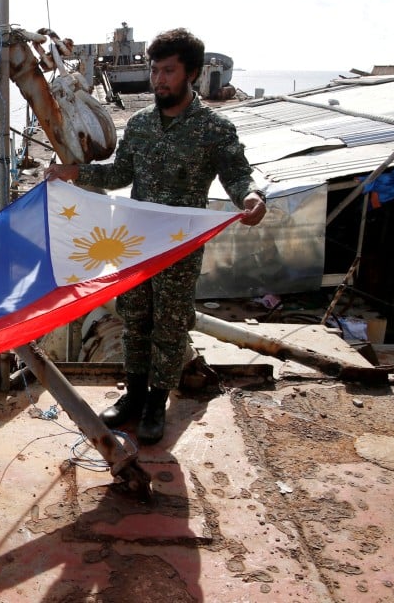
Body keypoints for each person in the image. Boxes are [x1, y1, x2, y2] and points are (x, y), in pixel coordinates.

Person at [44, 27, 266, 445]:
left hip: (179, 249)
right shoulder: (142, 126)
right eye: (155, 70)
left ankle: (155, 404)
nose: (158, 79)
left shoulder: (213, 130)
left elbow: (238, 174)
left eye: (168, 71)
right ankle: (134, 395)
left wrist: (252, 197)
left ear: (192, 74)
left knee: (169, 326)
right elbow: (119, 174)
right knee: (134, 321)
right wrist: (75, 173)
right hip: (137, 245)